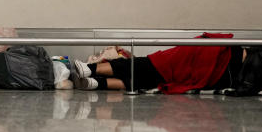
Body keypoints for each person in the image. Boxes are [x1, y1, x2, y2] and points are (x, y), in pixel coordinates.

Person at [69, 33, 245, 94]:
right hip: (218, 72)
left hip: (215, 57)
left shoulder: (253, 55)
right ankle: (97, 83)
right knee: (153, 77)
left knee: (148, 65)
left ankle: (90, 69)